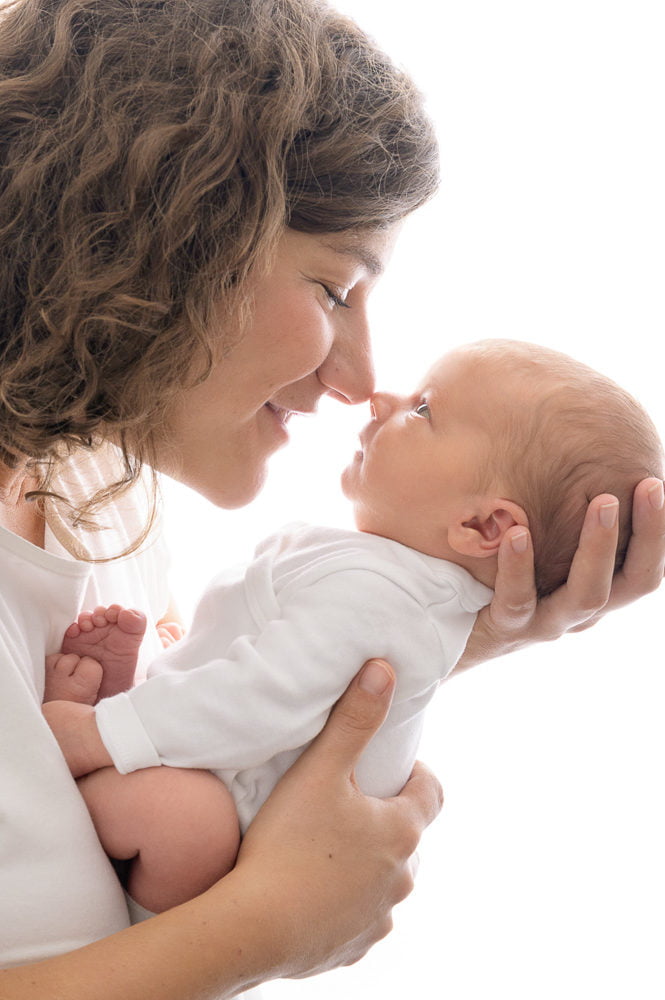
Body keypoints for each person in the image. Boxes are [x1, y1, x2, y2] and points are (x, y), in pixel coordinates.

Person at [0, 0, 663, 994]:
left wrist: (455, 626)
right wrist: (270, 924)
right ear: (161, 242)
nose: (359, 381)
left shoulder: (99, 487)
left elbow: (249, 708)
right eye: (334, 291)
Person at [43, 338, 665, 918]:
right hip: (227, 765)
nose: (383, 399)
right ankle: (146, 693)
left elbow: (260, 700)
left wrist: (99, 735)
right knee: (192, 706)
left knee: (180, 817)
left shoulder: (382, 599)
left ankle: (96, 751)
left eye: (423, 411)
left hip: (231, 832)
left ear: (483, 528)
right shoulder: (399, 587)